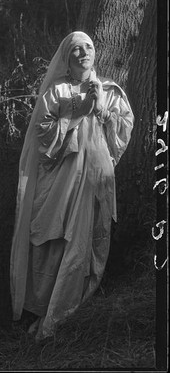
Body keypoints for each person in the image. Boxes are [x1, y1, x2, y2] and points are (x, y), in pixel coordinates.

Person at [10, 31, 134, 341]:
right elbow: (43, 136)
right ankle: (47, 311)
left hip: (94, 178)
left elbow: (123, 129)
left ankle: (72, 309)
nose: (83, 53)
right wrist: (79, 109)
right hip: (61, 181)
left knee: (87, 239)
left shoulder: (110, 91)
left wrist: (102, 110)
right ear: (67, 57)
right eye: (76, 49)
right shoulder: (56, 92)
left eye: (88, 47)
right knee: (55, 240)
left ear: (95, 53)